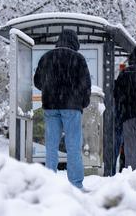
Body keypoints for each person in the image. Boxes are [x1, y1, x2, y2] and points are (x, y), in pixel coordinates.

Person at [34, 29, 91, 189]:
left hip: (51, 105)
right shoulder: (78, 58)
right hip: (72, 107)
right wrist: (82, 103)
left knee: (51, 146)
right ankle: (76, 185)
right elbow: (85, 85)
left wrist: (50, 89)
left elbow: (37, 81)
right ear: (74, 42)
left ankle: (49, 183)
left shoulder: (47, 57)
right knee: (73, 145)